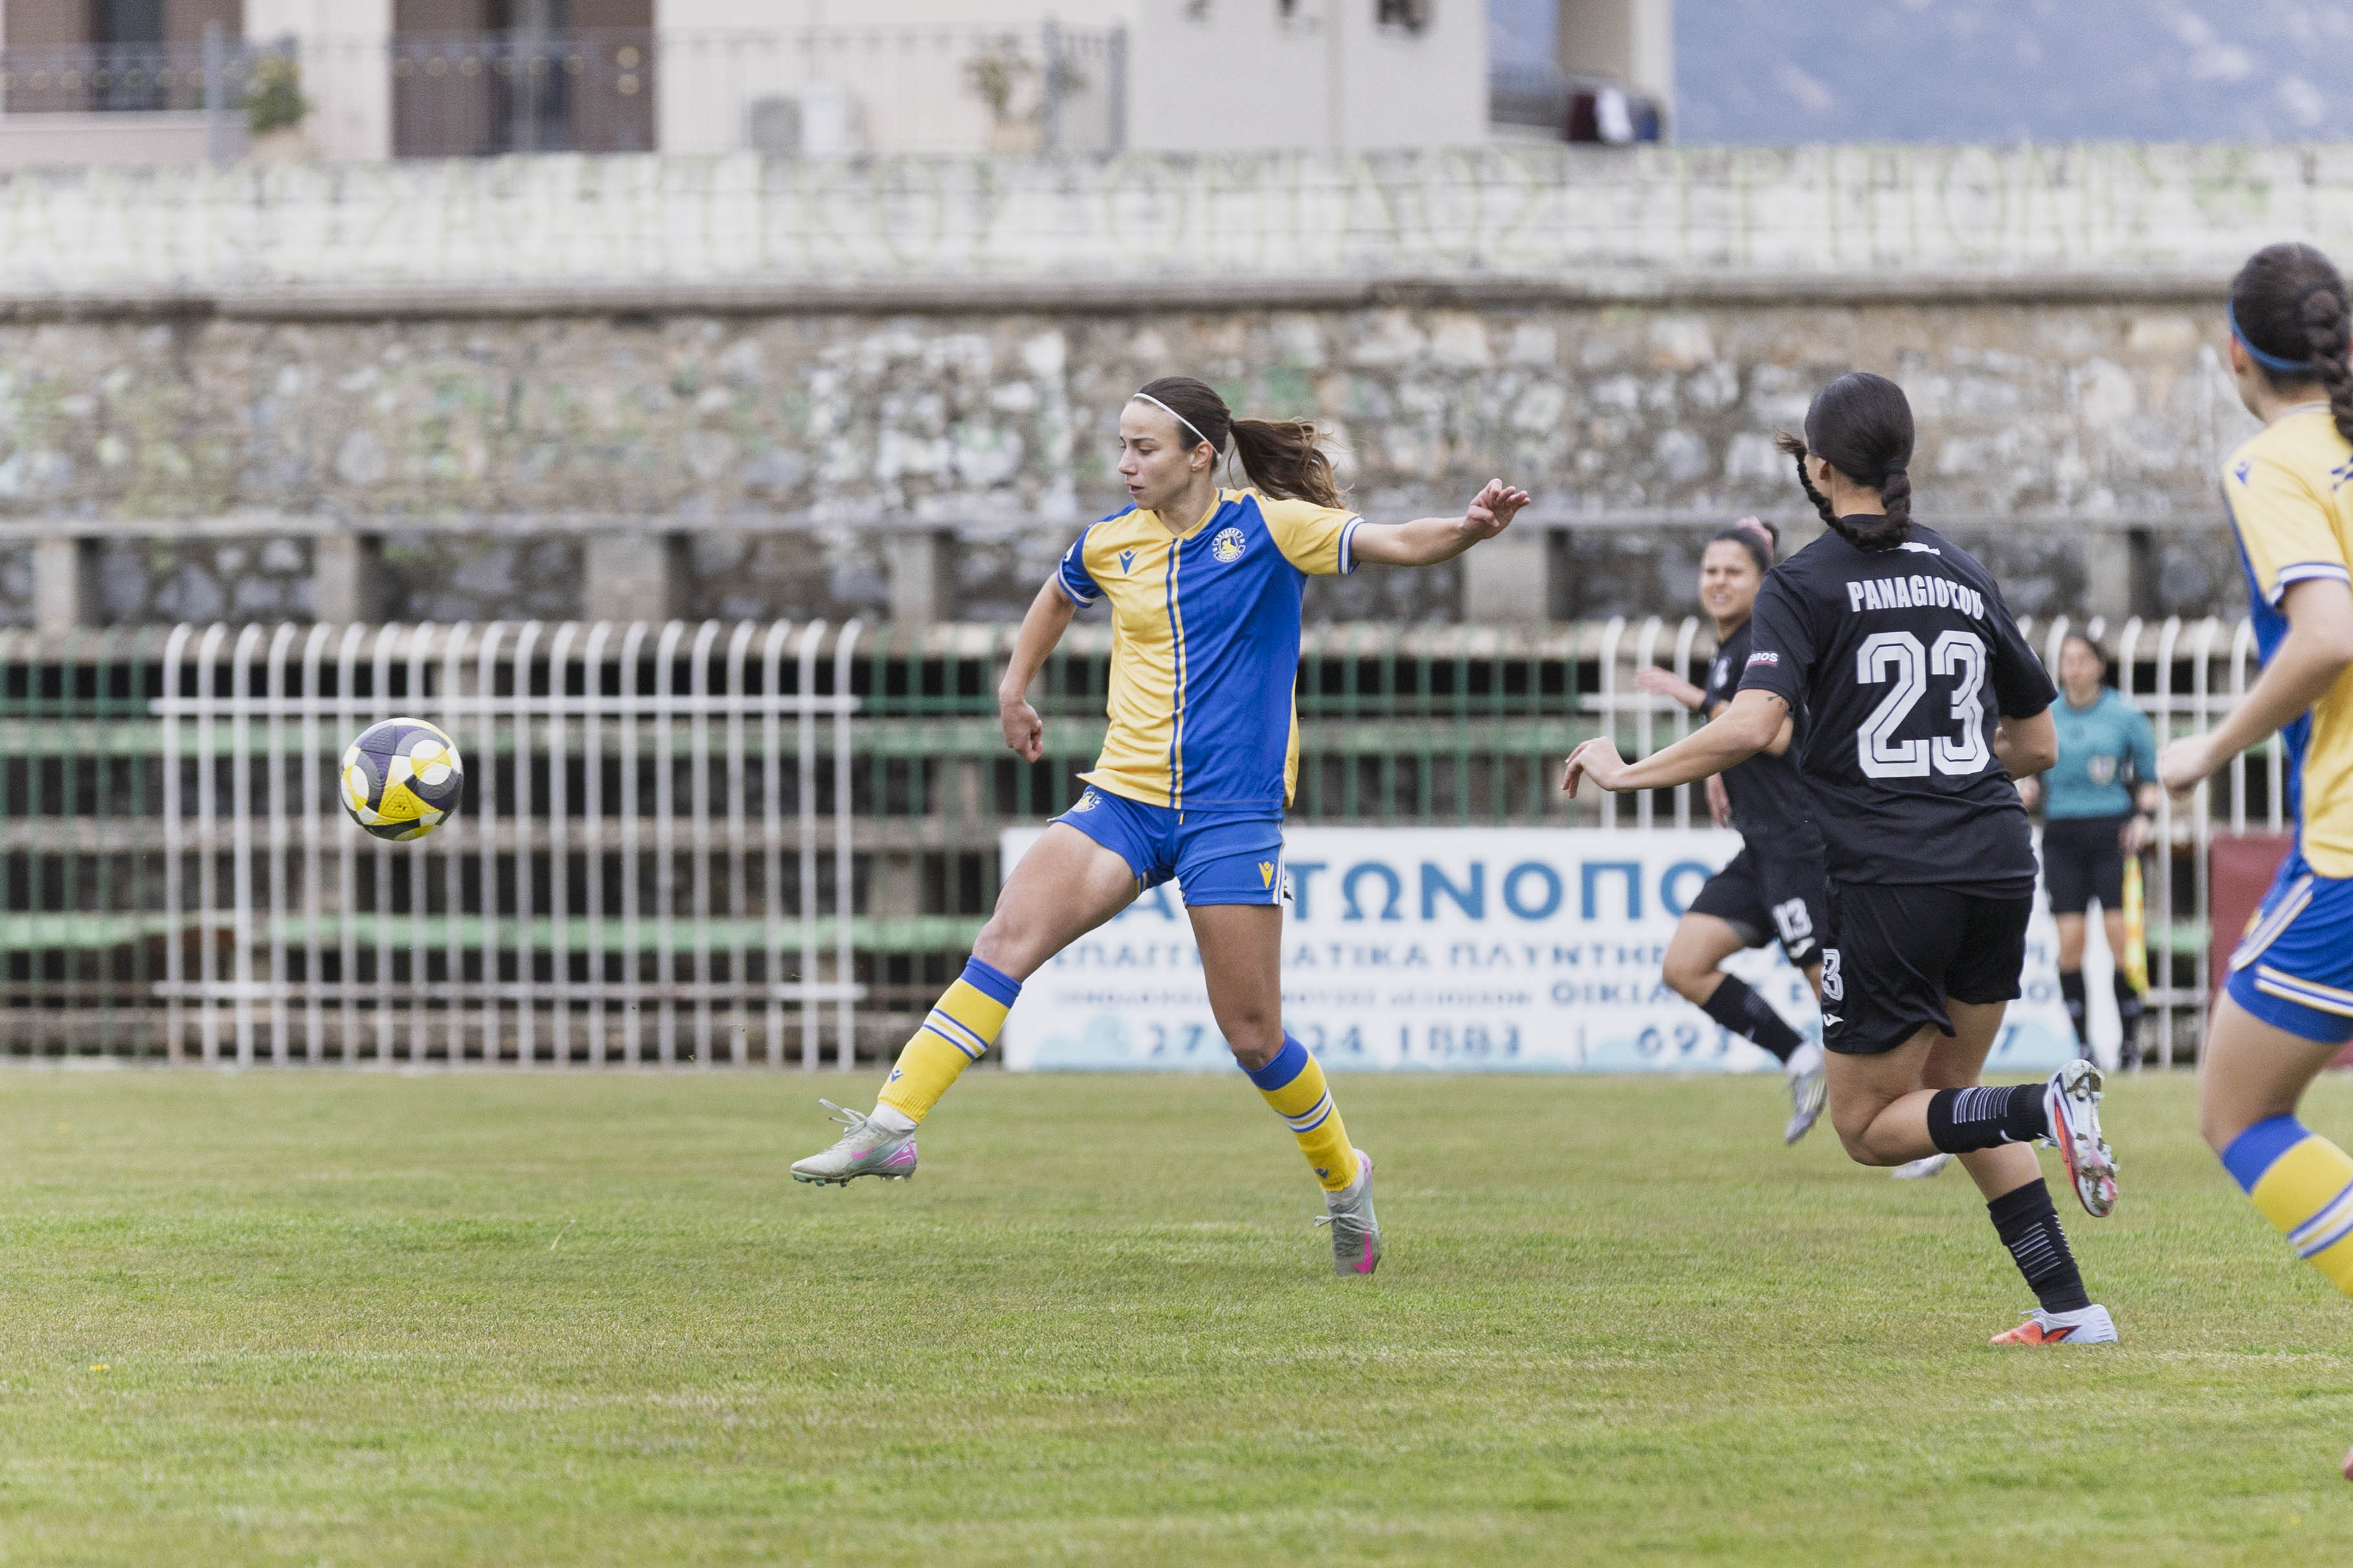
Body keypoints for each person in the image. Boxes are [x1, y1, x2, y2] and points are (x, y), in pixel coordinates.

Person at [787, 375, 1532, 1278]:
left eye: (1143, 447)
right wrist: (1014, 688)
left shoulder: (1272, 527)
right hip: (1125, 801)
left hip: (1231, 815)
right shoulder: (1112, 541)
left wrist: (1468, 530)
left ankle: (1345, 1179)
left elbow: (1398, 540)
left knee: (1254, 1036)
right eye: (1121, 446)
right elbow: (1057, 595)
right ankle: (891, 1126)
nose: (1125, 464)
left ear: (1199, 456)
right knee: (1004, 938)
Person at [1563, 371, 2123, 1347]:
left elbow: (1753, 723)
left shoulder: (1803, 582)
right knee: (1950, 1099)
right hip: (1997, 861)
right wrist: (1945, 768)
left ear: (1817, 468)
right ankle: (2072, 1312)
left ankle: (2044, 1104)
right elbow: (2037, 745)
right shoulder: (1961, 570)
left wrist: (1626, 770)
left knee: (1867, 1128)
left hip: (1891, 878)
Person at [2156, 243, 2353, 1474]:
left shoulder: (2271, 460)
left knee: (2235, 1107)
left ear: (2235, 352)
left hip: (2345, 847)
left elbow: (2325, 632)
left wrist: (2207, 746)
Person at [1632, 517, 1829, 1143]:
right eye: (1710, 570)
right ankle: (1799, 1057)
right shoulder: (1730, 649)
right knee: (1684, 964)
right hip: (1760, 848)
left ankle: (1922, 1118)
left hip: (1800, 845)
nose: (1718, 581)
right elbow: (1739, 737)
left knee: (1836, 994)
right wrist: (1720, 767)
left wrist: (1689, 696)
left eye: (1733, 571)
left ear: (1762, 580)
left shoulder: (1761, 644)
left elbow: (1774, 734)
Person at [2019, 633, 2161, 1054]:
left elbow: (2149, 781)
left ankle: (2129, 1043)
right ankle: (2082, 1044)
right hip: (2062, 835)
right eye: (2067, 659)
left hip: (2112, 835)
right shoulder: (2045, 715)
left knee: (2121, 939)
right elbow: (2028, 770)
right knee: (2070, 942)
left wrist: (2143, 819)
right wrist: (2027, 789)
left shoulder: (2125, 715)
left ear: (2100, 665)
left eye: (2083, 659)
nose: (2074, 668)